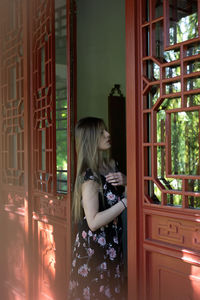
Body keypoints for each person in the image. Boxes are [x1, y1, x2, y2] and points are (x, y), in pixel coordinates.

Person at [68, 117, 127, 300]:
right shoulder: (89, 177)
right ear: (91, 139)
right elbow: (93, 222)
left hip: (113, 246)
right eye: (102, 132)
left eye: (106, 130)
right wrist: (126, 202)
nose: (108, 135)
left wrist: (126, 181)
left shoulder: (111, 165)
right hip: (95, 253)